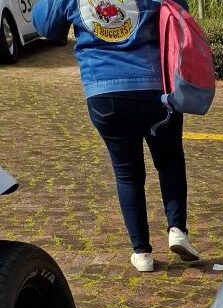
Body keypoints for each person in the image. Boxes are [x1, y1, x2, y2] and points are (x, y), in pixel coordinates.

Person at [34, 0, 201, 273]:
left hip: (104, 91)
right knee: (170, 162)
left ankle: (142, 252)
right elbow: (180, 11)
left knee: (128, 174)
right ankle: (177, 230)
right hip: (155, 88)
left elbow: (48, 27)